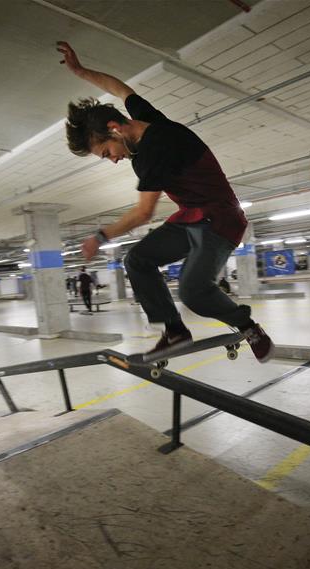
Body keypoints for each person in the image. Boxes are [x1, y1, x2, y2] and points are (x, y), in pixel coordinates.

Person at [58, 41, 274, 361]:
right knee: (137, 260)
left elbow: (144, 213)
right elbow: (118, 88)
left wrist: (100, 237)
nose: (112, 160)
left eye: (106, 153)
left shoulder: (154, 152)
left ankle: (248, 326)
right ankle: (174, 331)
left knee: (193, 292)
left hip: (221, 219)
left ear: (114, 130)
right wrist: (80, 71)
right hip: (192, 218)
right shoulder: (145, 118)